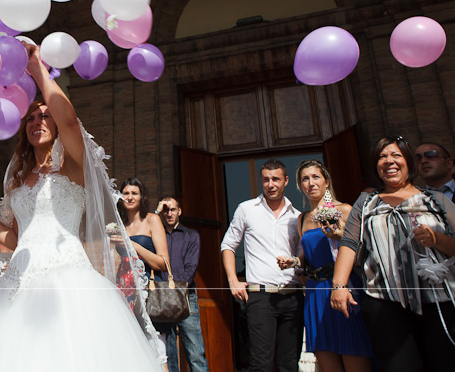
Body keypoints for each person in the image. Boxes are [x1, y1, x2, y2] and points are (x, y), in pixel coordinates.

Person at [0, 43, 166, 371]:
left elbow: (72, 122)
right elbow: (16, 239)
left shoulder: (73, 167)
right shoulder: (17, 182)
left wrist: (38, 69)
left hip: (67, 278)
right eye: (31, 117)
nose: (38, 121)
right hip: (16, 282)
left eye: (45, 115)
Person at [331, 137, 455, 372]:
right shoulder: (366, 203)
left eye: (396, 155)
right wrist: (339, 285)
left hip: (439, 303)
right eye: (382, 156)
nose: (389, 161)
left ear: (409, 163)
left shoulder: (436, 201)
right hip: (385, 304)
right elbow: (349, 242)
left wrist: (437, 239)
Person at [277, 160, 372, 372]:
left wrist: (340, 235)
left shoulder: (345, 210)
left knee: (352, 351)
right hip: (315, 292)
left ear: (326, 182)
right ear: (300, 186)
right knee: (326, 358)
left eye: (316, 177)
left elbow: (363, 250)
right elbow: (306, 254)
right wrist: (294, 261)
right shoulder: (302, 219)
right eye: (305, 179)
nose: (311, 183)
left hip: (343, 286)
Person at [220, 159, 304, 372]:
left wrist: (296, 263)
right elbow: (228, 245)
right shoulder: (246, 209)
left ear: (285, 180)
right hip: (260, 297)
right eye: (266, 179)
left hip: (293, 296)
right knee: (261, 364)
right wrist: (233, 280)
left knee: (289, 364)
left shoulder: (297, 217)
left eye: (276, 179)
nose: (270, 184)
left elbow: (302, 255)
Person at [155, 196, 209, 372]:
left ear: (179, 211)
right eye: (165, 210)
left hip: (186, 297)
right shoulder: (156, 235)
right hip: (162, 298)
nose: (169, 213)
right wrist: (155, 212)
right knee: (168, 353)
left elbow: (191, 267)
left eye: (172, 209)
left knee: (195, 352)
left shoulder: (191, 235)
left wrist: (176, 288)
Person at [115, 177, 168, 277]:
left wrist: (133, 245)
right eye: (126, 194)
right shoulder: (120, 225)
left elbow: (164, 264)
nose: (130, 197)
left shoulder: (152, 219)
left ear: (142, 197)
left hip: (148, 283)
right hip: (125, 283)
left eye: (134, 193)